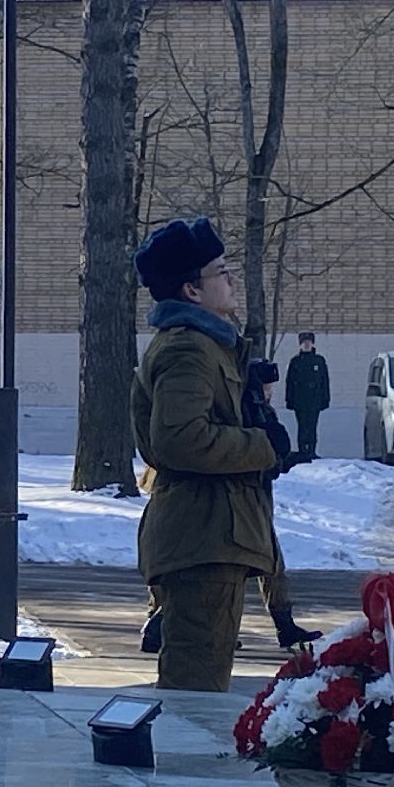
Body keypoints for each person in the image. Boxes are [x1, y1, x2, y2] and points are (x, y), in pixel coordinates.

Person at [129, 216, 294, 693]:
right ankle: (180, 768)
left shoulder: (207, 346)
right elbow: (180, 440)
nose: (231, 280)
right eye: (220, 272)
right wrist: (264, 446)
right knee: (194, 691)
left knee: (201, 683)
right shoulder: (189, 348)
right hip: (202, 537)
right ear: (192, 291)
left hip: (211, 535)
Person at [285, 331, 330, 459]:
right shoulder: (295, 361)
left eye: (309, 342)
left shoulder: (319, 361)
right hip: (299, 401)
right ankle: (302, 451)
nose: (306, 345)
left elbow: (324, 381)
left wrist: (325, 399)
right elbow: (289, 382)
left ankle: (311, 450)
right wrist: (289, 400)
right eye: (304, 342)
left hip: (314, 401)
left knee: (312, 426)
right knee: (302, 426)